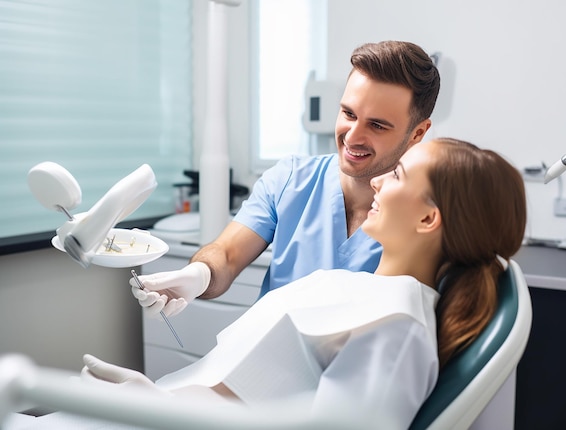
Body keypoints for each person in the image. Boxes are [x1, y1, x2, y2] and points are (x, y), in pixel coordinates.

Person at [82, 138, 527, 429]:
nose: (375, 180)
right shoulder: (369, 292)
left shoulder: (398, 324)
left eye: (397, 175)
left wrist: (160, 412)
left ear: (429, 218)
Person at [131, 40, 441, 318]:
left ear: (417, 133)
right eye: (348, 114)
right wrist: (199, 275)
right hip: (259, 366)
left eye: (377, 125)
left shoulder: (425, 218)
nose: (353, 136)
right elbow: (226, 254)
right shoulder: (290, 179)